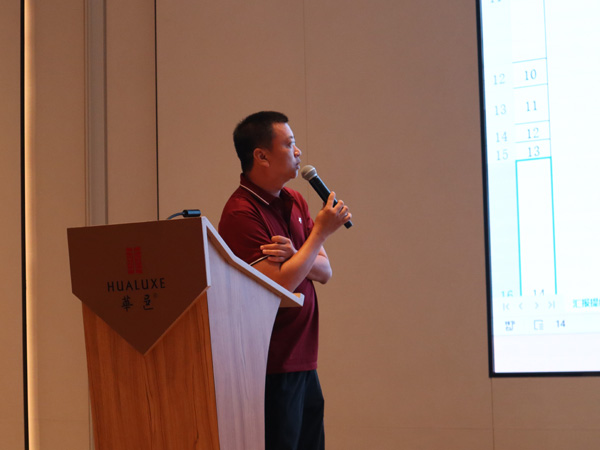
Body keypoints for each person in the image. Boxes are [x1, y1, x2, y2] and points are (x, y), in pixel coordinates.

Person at [218, 111, 352, 450]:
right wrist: (319, 234)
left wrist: (297, 253)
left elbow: (325, 271)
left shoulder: (295, 200)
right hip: (271, 364)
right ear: (261, 156)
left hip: (304, 358)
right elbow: (279, 289)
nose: (298, 152)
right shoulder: (241, 212)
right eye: (289, 144)